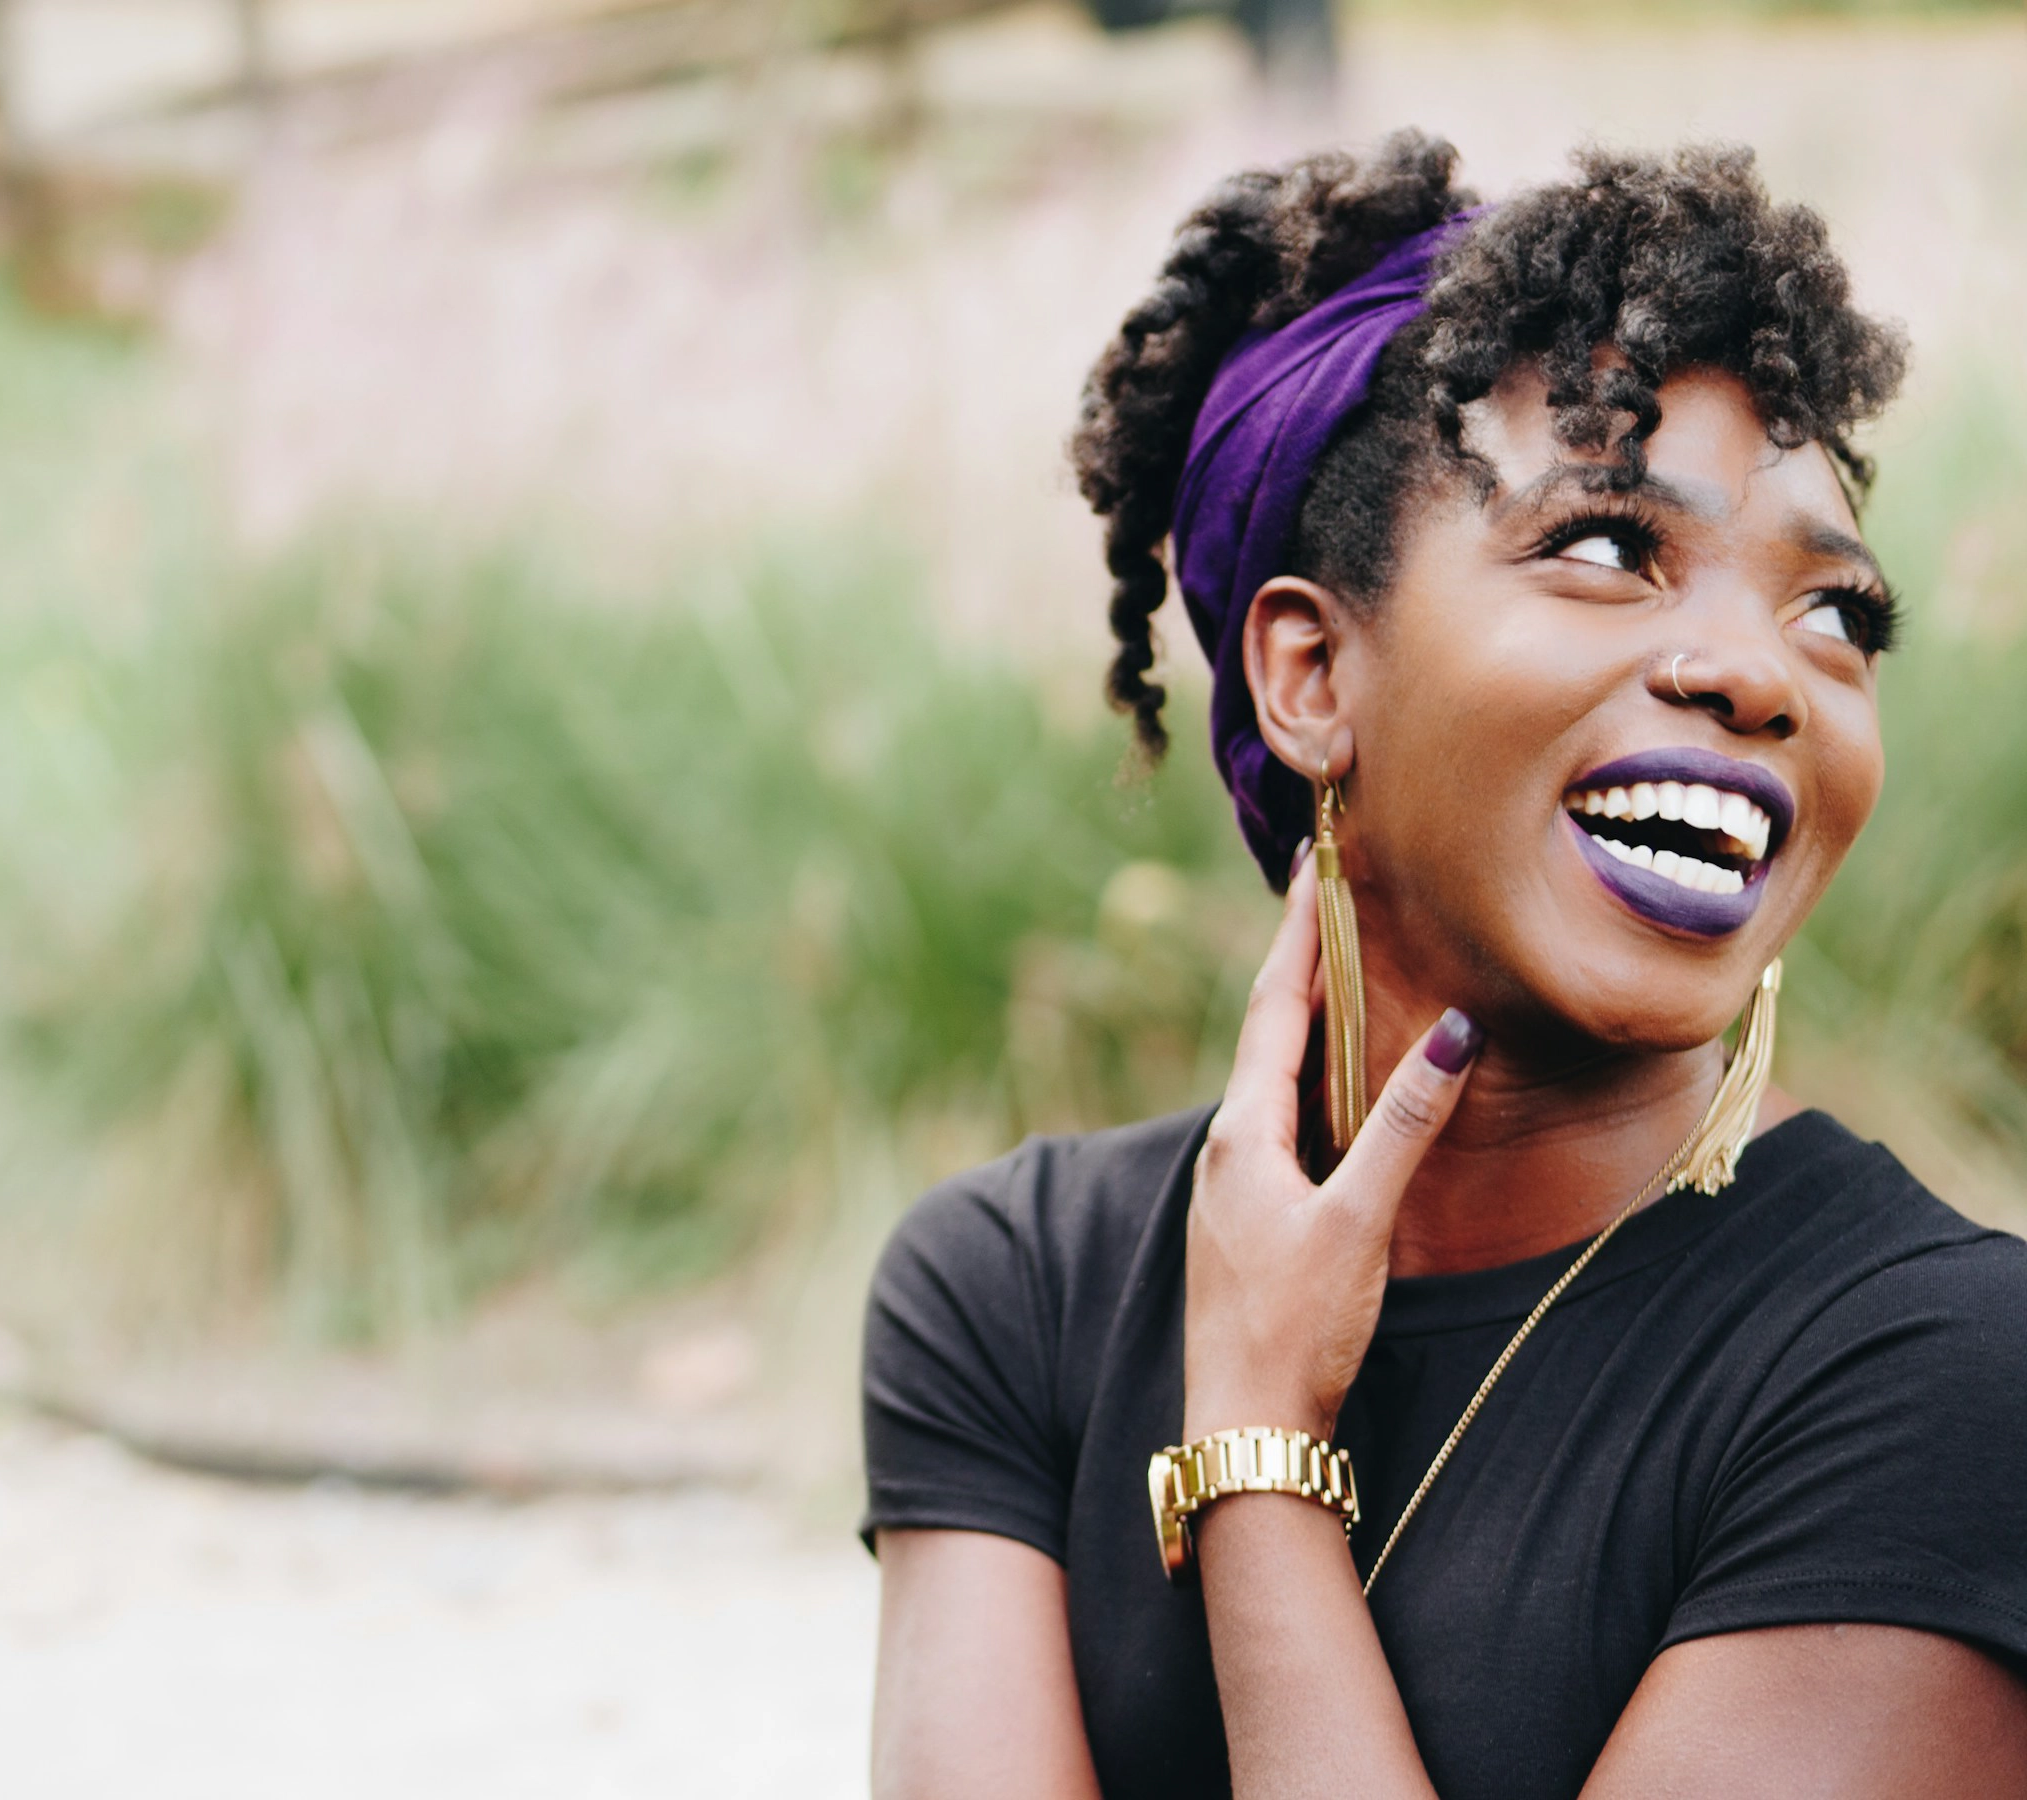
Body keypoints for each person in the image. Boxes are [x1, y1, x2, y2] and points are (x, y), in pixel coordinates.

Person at [860, 132, 2027, 1798]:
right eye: (1613, 547)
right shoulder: (1016, 1294)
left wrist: (1258, 1460)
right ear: (1313, 676)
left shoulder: (1942, 1376)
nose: (1764, 676)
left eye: (1838, 615)